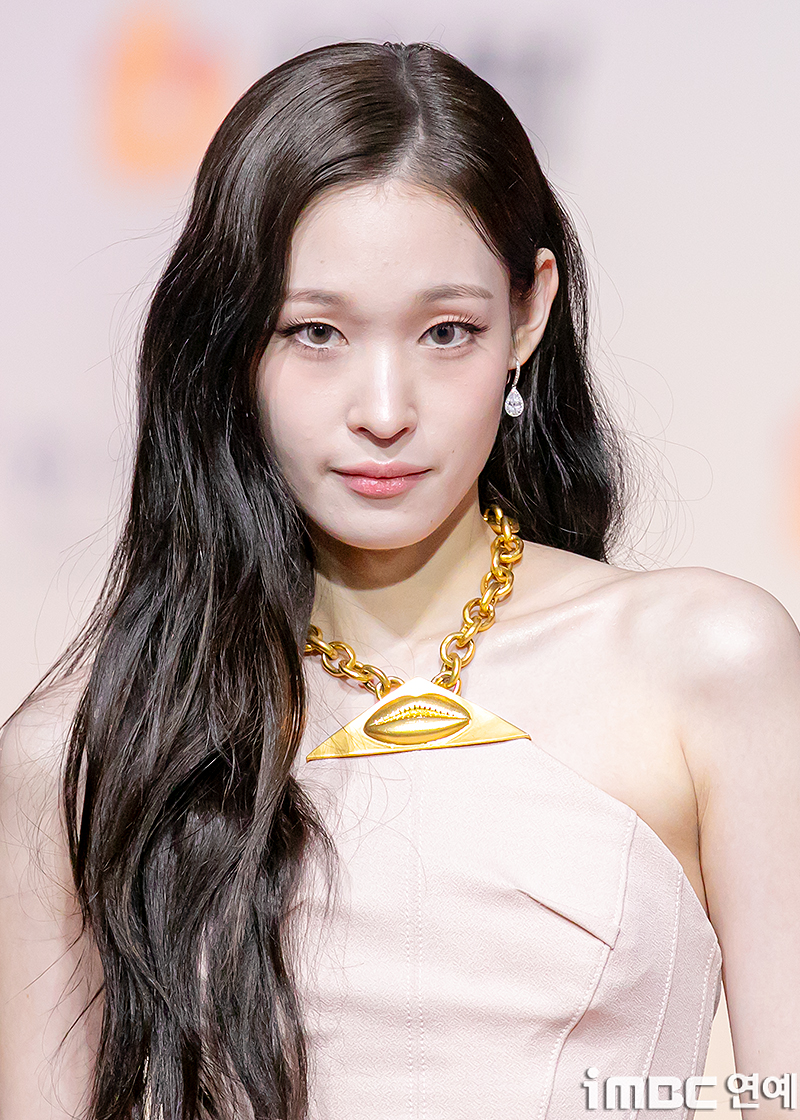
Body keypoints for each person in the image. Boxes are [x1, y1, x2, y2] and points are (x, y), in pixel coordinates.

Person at [1, 39, 798, 1120]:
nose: (384, 409)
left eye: (446, 331)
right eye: (315, 332)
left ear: (528, 313)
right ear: (231, 338)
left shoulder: (707, 666)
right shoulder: (85, 751)